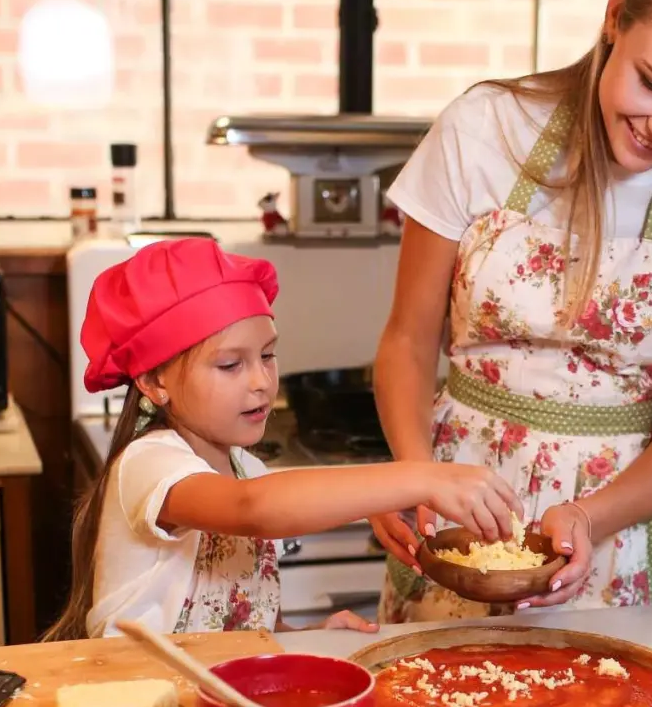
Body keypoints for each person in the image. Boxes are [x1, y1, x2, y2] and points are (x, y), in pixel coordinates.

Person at [369, 0, 652, 623]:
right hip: (457, 508)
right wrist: (413, 473)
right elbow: (406, 340)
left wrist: (589, 519)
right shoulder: (485, 129)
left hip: (620, 529)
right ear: (616, 13)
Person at [43, 237, 521, 641]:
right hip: (137, 701)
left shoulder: (246, 468)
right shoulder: (150, 462)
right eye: (231, 365)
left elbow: (244, 622)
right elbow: (255, 508)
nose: (261, 382)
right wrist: (418, 479)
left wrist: (307, 637)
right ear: (153, 382)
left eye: (268, 356)